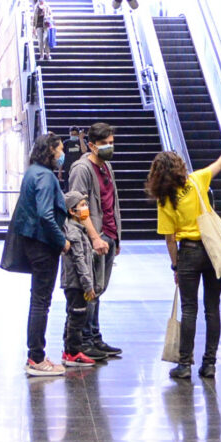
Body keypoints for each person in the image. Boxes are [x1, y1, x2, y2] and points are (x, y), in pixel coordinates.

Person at [148, 133, 221, 381]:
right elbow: (219, 165)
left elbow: (170, 239)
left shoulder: (165, 200)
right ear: (180, 167)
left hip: (189, 252)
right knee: (212, 308)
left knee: (189, 310)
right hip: (214, 251)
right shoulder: (196, 180)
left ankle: (184, 365)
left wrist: (175, 267)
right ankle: (209, 364)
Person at [0, 132, 70, 377]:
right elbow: (45, 214)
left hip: (32, 243)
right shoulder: (45, 176)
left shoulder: (31, 171)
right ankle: (36, 358)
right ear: (50, 150)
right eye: (60, 149)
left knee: (37, 300)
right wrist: (62, 241)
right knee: (41, 302)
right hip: (43, 245)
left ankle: (36, 355)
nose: (63, 154)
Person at [66, 122, 121, 359]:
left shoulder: (107, 166)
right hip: (92, 238)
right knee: (89, 289)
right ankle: (85, 339)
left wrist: (116, 237)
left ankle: (95, 337)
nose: (109, 147)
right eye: (104, 144)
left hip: (108, 235)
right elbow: (79, 206)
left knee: (98, 289)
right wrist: (95, 237)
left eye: (111, 143)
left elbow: (112, 202)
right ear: (91, 145)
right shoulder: (81, 169)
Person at [59, 189, 102, 368]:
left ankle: (69, 350)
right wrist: (88, 285)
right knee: (77, 316)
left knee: (73, 315)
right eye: (82, 205)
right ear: (71, 211)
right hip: (76, 283)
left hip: (75, 283)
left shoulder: (78, 229)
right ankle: (73, 352)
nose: (86, 208)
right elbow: (78, 261)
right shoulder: (73, 232)